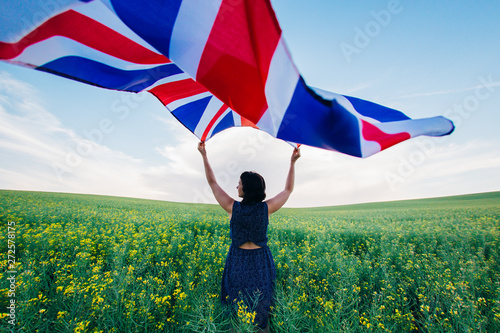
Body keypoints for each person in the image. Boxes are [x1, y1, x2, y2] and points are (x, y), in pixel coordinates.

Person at [197, 141, 300, 332]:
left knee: (237, 303)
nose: (237, 185)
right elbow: (288, 190)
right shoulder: (266, 208)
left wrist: (204, 155)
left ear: (246, 188)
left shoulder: (232, 208)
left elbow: (212, 183)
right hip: (261, 261)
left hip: (239, 261)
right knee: (261, 302)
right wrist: (292, 162)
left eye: (240, 183)